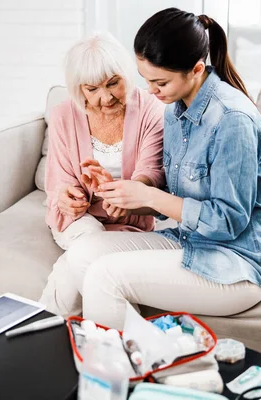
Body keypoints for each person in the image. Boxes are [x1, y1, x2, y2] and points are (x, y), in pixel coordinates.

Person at [65, 8, 261, 329]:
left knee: (104, 277)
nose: (150, 91)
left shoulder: (232, 120)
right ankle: (146, 350)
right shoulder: (175, 108)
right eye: (146, 80)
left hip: (237, 264)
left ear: (196, 69)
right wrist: (121, 193)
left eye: (160, 82)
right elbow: (173, 194)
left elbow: (228, 221)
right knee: (82, 252)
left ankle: (118, 371)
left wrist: (149, 198)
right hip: (190, 241)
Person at [39, 32, 166, 316]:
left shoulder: (151, 111)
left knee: (83, 257)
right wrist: (68, 197)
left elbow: (152, 172)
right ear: (78, 88)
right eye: (92, 89)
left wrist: (124, 195)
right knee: (91, 238)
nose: (105, 97)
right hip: (78, 219)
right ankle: (133, 339)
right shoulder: (62, 115)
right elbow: (60, 180)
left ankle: (45, 323)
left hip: (130, 216)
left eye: (113, 84)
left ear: (126, 76)